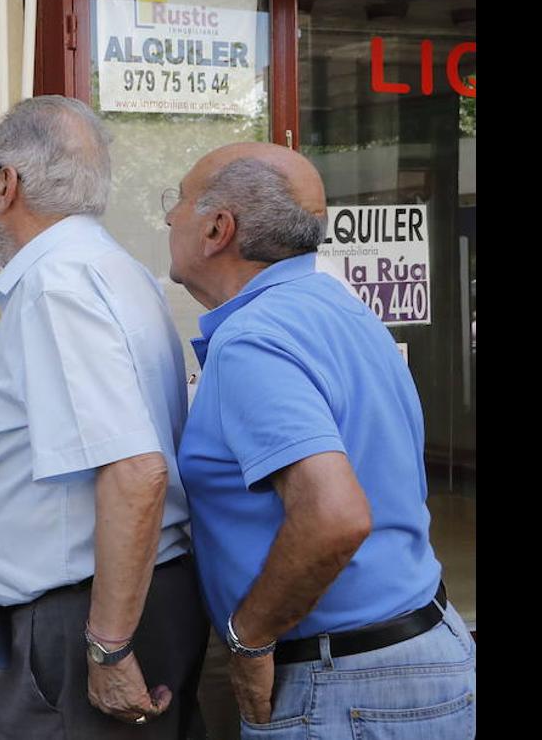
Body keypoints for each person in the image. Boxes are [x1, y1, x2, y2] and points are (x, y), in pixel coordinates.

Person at [165, 142, 475, 738]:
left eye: (176, 202)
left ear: (216, 229)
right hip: (412, 651)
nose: (169, 217)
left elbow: (333, 516)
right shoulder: (336, 305)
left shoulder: (256, 336)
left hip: (346, 682)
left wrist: (249, 639)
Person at [0, 95, 207, 739]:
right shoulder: (114, 272)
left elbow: (136, 470)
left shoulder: (59, 285)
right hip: (103, 605)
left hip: (83, 619)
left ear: (7, 184)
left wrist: (108, 646)